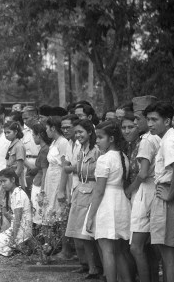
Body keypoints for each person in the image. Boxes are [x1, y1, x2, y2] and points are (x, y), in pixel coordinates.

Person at [85, 121, 134, 282]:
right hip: (120, 203)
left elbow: (99, 191)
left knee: (107, 251)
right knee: (119, 251)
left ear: (111, 138)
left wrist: (91, 215)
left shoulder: (104, 159)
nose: (97, 141)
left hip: (107, 203)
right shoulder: (123, 157)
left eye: (100, 137)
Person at [146, 101, 174, 282]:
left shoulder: (169, 141)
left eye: (154, 119)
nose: (150, 124)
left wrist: (170, 194)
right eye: (148, 119)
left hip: (168, 194)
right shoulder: (172, 138)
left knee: (167, 252)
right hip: (170, 194)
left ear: (168, 121)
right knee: (169, 251)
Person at [126, 96, 161, 282]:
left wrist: (129, 190)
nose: (135, 122)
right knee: (149, 246)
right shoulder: (157, 137)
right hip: (154, 190)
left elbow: (143, 173)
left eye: (138, 118)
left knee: (136, 246)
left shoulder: (147, 140)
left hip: (145, 191)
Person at [64, 119, 102, 279]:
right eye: (77, 132)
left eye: (81, 132)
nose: (78, 135)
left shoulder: (96, 150)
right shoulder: (81, 150)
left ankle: (99, 268)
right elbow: (78, 171)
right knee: (78, 232)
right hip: (80, 189)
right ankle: (88, 266)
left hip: (93, 190)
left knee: (89, 232)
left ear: (90, 132)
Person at [0, 168, 32, 256]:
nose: (2, 184)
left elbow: (18, 219)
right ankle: (18, 247)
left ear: (13, 180)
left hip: (21, 229)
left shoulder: (18, 194)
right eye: (1, 182)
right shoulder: (13, 193)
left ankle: (19, 246)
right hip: (16, 227)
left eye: (4, 181)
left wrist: (13, 237)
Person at [42, 116, 69, 227]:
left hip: (58, 180)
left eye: (47, 128)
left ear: (53, 128)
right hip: (51, 180)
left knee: (59, 213)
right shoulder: (54, 142)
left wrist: (61, 189)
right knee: (50, 211)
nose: (46, 131)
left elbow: (64, 166)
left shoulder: (63, 142)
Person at [30, 123, 51, 227]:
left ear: (39, 135)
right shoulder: (43, 148)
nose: (33, 138)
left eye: (34, 135)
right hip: (37, 181)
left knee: (38, 213)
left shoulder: (45, 150)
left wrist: (42, 191)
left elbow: (44, 172)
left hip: (39, 184)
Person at [4, 122, 26, 188]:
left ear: (15, 132)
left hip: (16, 180)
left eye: (8, 132)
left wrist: (12, 182)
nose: (6, 135)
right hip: (9, 177)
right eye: (5, 133)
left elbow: (19, 168)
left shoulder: (19, 146)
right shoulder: (12, 144)